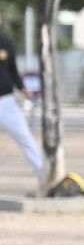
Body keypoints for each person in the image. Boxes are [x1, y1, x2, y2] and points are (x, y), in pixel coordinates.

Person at [0, 26, 45, 194]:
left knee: (26, 139)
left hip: (6, 100)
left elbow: (13, 70)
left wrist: (22, 88)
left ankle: (45, 177)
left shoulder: (6, 43)